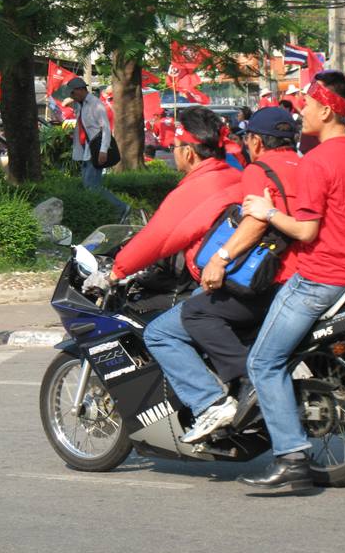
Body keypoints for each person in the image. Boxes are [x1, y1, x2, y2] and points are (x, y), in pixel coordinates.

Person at [237, 71, 345, 494]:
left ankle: (291, 457)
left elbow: (305, 233)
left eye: (306, 103)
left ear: (327, 110)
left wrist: (266, 211)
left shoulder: (318, 162)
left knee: (263, 362)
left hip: (320, 280)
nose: (300, 110)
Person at [107, 106, 246, 442]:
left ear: (188, 151)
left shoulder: (195, 187)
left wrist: (117, 270)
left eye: (174, 149)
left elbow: (158, 237)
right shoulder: (234, 174)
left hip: (221, 282)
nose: (173, 156)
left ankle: (208, 401)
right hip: (249, 276)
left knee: (159, 334)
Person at [179, 107, 301, 431]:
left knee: (195, 312)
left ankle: (248, 381)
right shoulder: (307, 166)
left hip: (275, 279)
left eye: (248, 138)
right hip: (311, 276)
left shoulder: (258, 169)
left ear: (257, 141)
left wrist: (220, 258)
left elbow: (255, 223)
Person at [67, 76, 129, 222]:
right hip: (85, 151)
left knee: (92, 186)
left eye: (73, 93)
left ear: (81, 90)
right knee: (88, 186)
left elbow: (106, 129)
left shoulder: (96, 105)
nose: (71, 97)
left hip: (95, 151)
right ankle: (103, 214)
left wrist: (103, 150)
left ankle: (121, 208)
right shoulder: (81, 105)